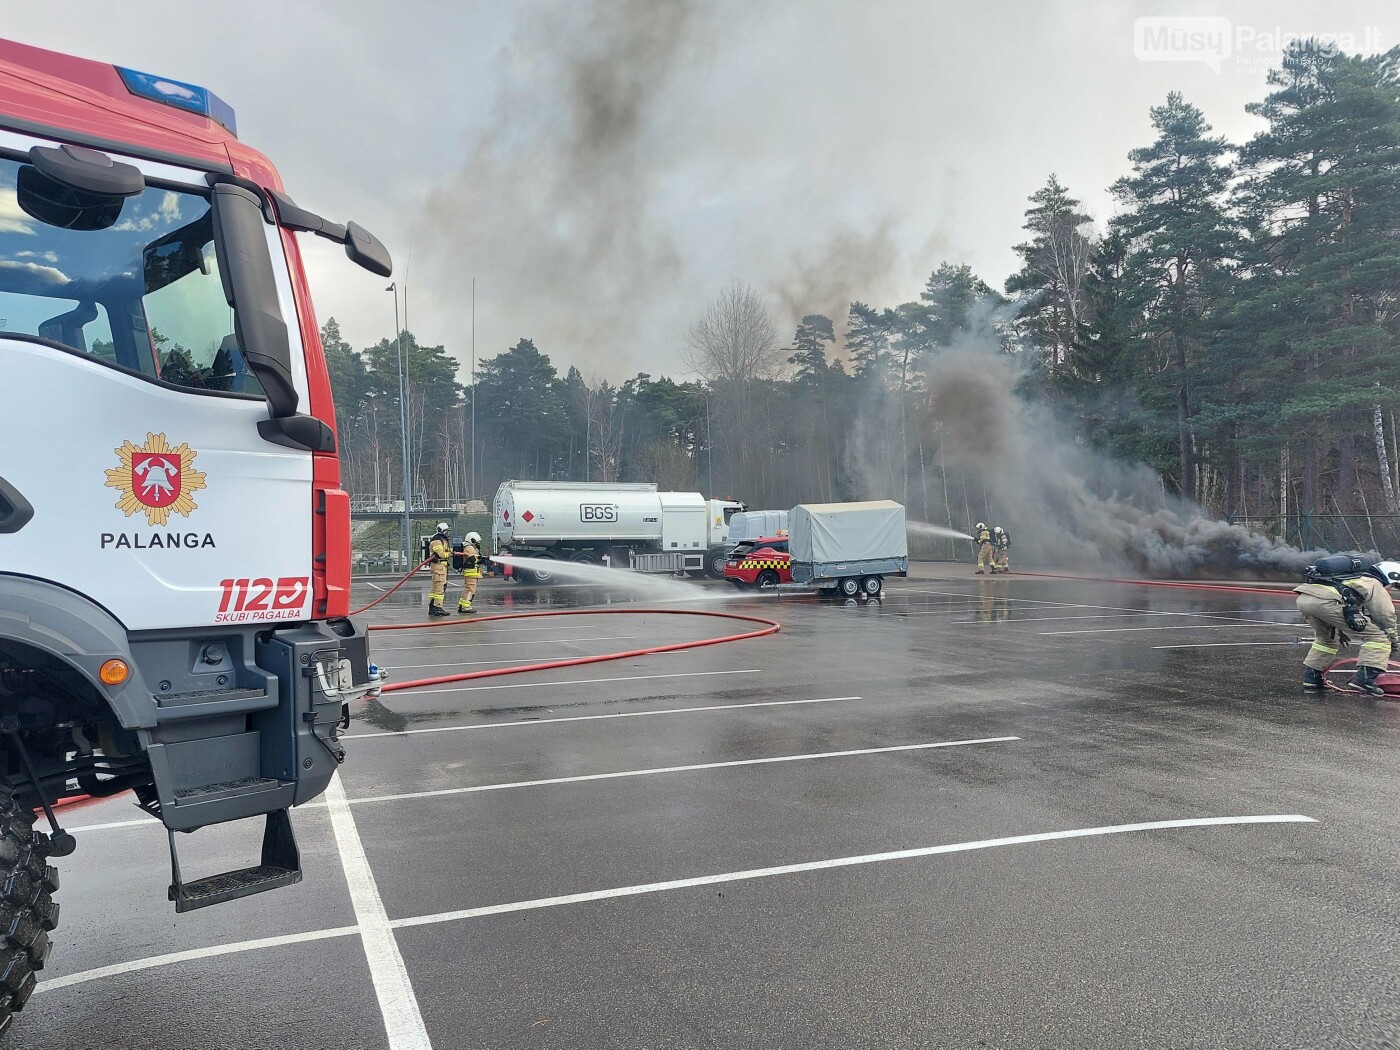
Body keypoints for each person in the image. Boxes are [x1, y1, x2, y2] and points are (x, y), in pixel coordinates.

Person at [1294, 557, 1400, 694]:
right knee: (1378, 637)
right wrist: (1392, 639)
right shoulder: (1373, 583)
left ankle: (1312, 678)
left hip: (1305, 599)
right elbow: (1384, 613)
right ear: (1388, 575)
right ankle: (1363, 681)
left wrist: (1341, 629)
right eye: (1394, 585)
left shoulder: (1352, 578)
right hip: (1326, 603)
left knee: (1327, 640)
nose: (1392, 589)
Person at [426, 522, 453, 617]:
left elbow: (445, 550)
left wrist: (453, 551)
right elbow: (441, 554)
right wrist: (449, 554)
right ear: (441, 531)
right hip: (438, 566)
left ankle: (433, 607)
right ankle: (438, 608)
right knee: (439, 587)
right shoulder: (437, 541)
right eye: (446, 531)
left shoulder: (442, 540)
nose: (447, 533)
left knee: (436, 587)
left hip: (440, 566)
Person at [456, 531, 485, 614]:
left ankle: (462, 605)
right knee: (470, 590)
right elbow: (472, 559)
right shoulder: (469, 547)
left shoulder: (470, 547)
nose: (477, 542)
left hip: (472, 571)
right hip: (471, 572)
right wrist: (480, 558)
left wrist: (481, 558)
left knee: (467, 589)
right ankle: (466, 607)